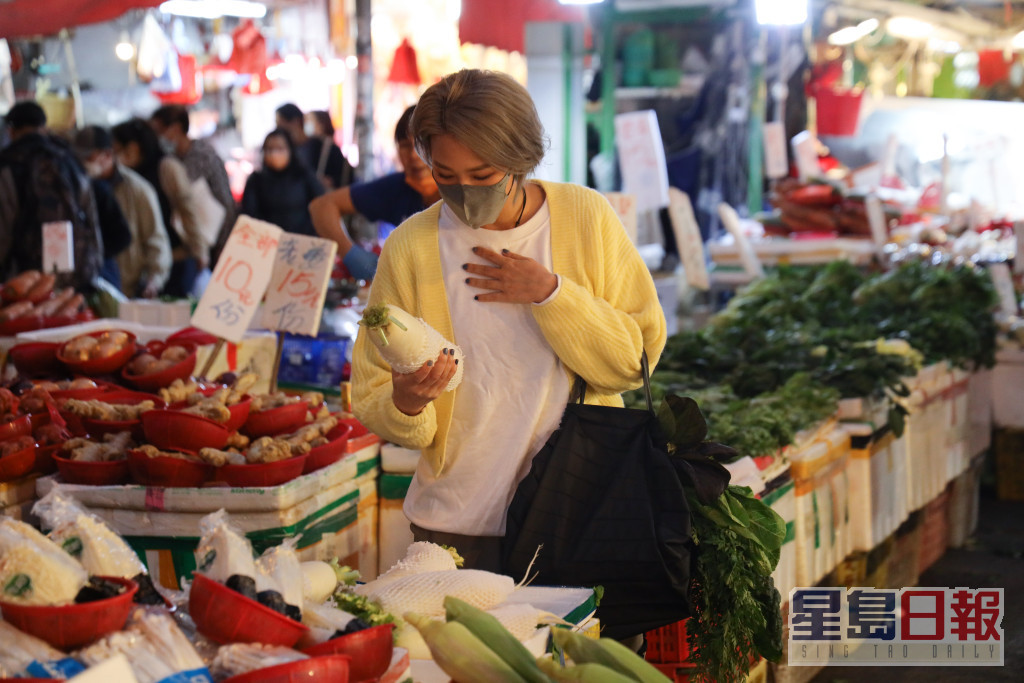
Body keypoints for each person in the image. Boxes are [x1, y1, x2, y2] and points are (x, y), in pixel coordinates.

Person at [350, 70, 667, 573]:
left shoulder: (586, 217)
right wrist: (407, 405)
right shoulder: (411, 246)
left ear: (521, 160)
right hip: (456, 526)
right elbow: (369, 389)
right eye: (446, 176)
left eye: (483, 176)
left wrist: (553, 295)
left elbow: (635, 361)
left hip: (581, 508)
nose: (464, 192)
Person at [309, 105, 440, 281]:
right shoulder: (397, 187)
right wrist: (351, 254)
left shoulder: (463, 193)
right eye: (405, 145)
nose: (414, 155)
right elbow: (321, 207)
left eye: (422, 145)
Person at [0, 101, 104, 290]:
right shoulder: (69, 160)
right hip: (75, 273)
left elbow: (4, 228)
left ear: (11, 131)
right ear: (44, 127)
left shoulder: (8, 164)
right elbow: (91, 217)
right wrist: (94, 263)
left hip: (26, 277)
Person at [73, 125, 172, 298]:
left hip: (128, 290)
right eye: (79, 157)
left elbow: (156, 238)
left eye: (89, 157)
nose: (83, 163)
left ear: (108, 155)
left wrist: (154, 280)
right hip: (88, 290)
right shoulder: (74, 188)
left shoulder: (138, 189)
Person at [111, 118, 205, 298]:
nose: (116, 156)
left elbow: (188, 211)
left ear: (133, 148)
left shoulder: (166, 167)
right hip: (143, 266)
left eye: (117, 150)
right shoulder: (123, 178)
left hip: (176, 259)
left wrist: (200, 251)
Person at [150, 105, 236, 263]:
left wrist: (223, 243)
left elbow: (223, 202)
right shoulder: (175, 158)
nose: (157, 138)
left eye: (159, 131)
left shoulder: (200, 155)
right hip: (201, 239)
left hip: (218, 238)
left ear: (176, 128)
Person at [240, 129, 325, 235]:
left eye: (280, 148)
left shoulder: (304, 176)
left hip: (302, 241)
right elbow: (249, 215)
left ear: (290, 150)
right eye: (269, 149)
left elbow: (322, 206)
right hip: (267, 242)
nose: (274, 153)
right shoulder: (256, 180)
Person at [305, 110, 353, 191]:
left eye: (309, 120)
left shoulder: (330, 149)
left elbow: (345, 175)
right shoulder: (307, 146)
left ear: (321, 124)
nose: (306, 124)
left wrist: (331, 181)